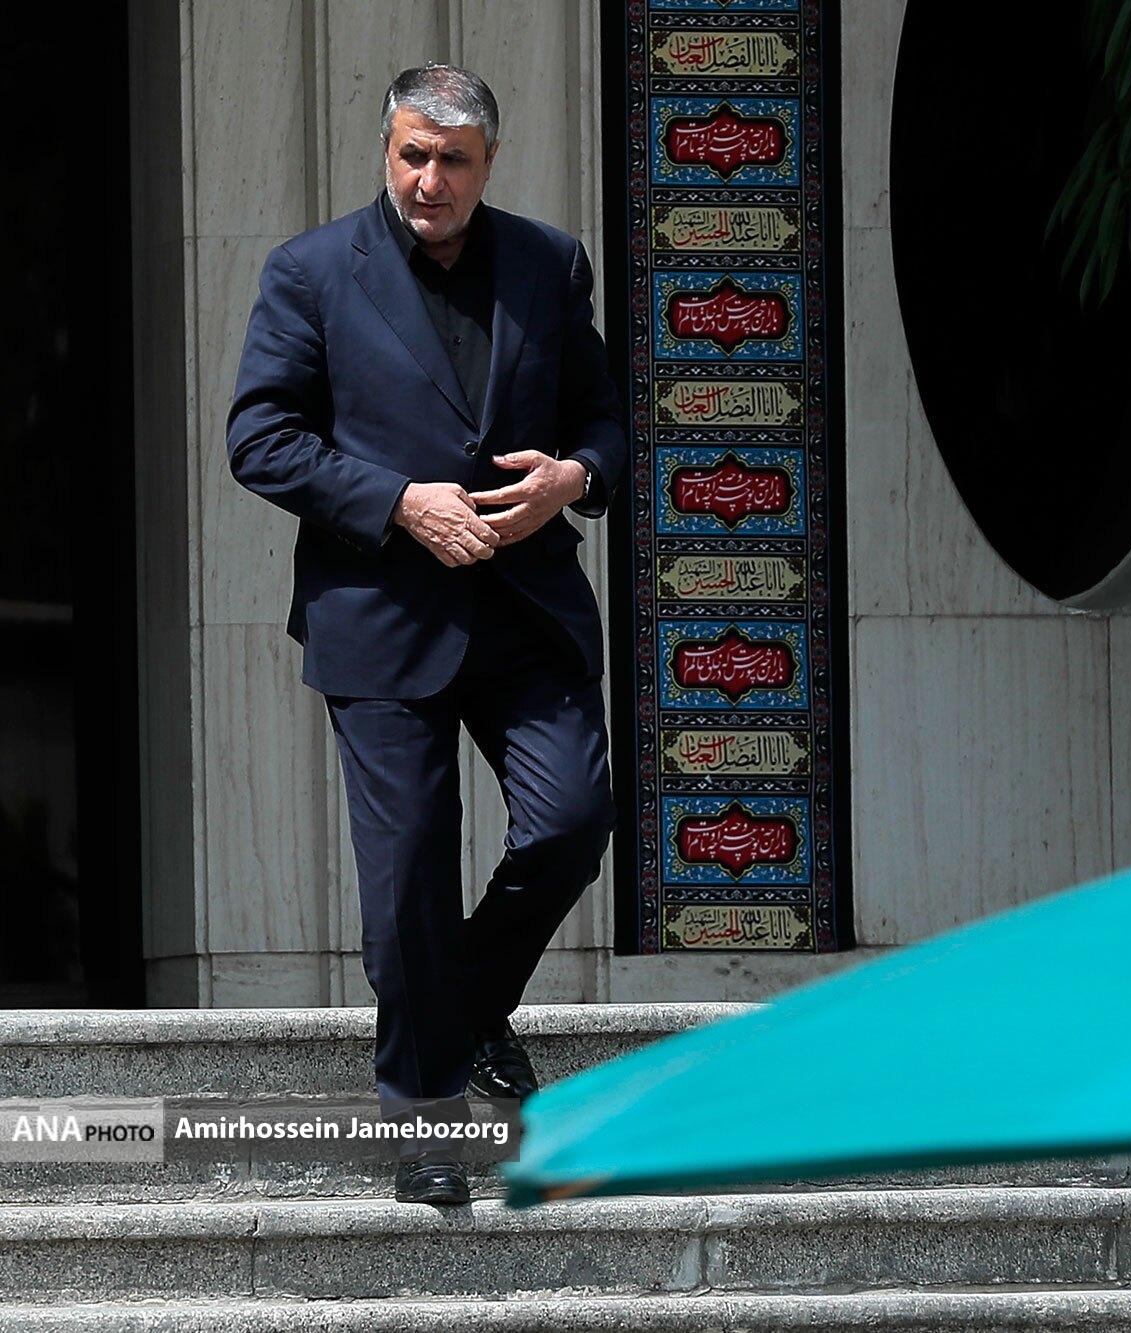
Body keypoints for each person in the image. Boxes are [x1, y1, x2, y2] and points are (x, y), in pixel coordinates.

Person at [226, 63, 625, 1206]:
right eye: (411, 154)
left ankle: (464, 1007)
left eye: (452, 160)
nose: (428, 179)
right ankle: (425, 1117)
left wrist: (572, 478)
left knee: (572, 819)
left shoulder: (549, 263)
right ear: (386, 151)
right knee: (405, 876)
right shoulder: (310, 273)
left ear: (488, 163)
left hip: (524, 607)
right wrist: (399, 502)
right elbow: (259, 438)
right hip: (382, 616)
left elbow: (605, 416)